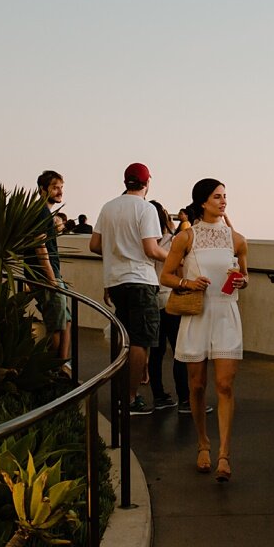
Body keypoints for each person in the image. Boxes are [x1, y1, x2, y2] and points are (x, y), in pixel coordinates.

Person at [157, 181, 248, 480]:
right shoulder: (186, 237)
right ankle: (202, 443)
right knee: (197, 385)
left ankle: (224, 454)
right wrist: (188, 283)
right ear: (203, 202)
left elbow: (244, 275)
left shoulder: (236, 239)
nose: (223, 202)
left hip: (225, 315)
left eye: (225, 196)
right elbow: (166, 275)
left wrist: (241, 281)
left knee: (224, 385)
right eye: (217, 197)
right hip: (197, 315)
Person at [89, 163, 172, 414]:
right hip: (141, 281)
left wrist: (117, 252)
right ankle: (131, 397)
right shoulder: (145, 209)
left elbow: (94, 245)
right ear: (148, 182)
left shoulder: (108, 207)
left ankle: (119, 390)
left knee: (122, 338)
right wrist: (174, 257)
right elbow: (151, 250)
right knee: (140, 340)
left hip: (116, 282)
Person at [147, 203, 190, 412]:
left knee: (156, 352)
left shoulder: (144, 244)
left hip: (150, 300)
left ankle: (159, 396)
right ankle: (185, 399)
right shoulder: (173, 242)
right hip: (170, 301)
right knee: (179, 351)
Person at [30, 171, 72, 379]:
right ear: (43, 189)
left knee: (66, 320)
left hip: (52, 275)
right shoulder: (40, 213)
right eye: (55, 187)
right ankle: (53, 369)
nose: (60, 191)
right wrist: (52, 279)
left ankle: (62, 365)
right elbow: (40, 248)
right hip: (48, 277)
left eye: (61, 187)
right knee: (56, 323)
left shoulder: (45, 214)